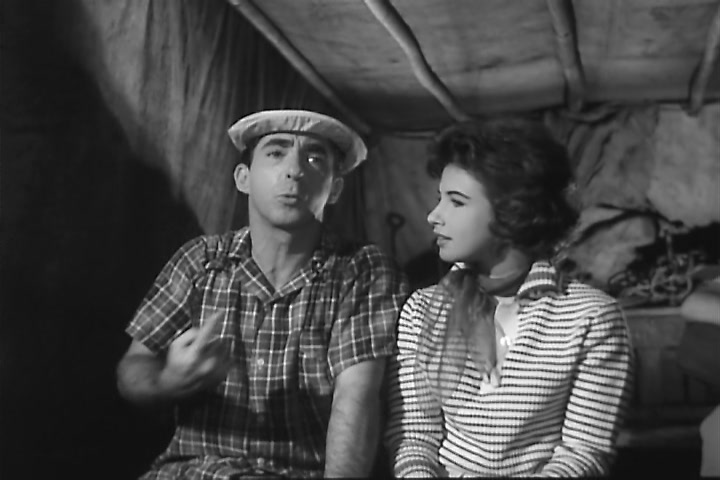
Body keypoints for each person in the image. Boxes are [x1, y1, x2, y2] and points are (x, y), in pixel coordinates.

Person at [116, 109, 410, 478]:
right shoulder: (201, 261)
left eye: (315, 158)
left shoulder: (362, 271)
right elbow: (133, 366)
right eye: (275, 153)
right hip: (191, 471)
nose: (294, 170)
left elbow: (357, 395)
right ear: (243, 178)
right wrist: (167, 381)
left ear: (334, 189)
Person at [384, 117, 634, 477]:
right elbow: (413, 436)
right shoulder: (423, 311)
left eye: (456, 202)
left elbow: (584, 452)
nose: (433, 216)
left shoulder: (590, 318)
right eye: (440, 199)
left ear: (512, 212)